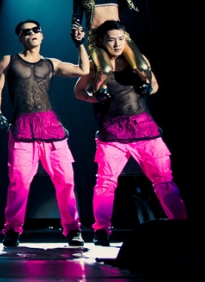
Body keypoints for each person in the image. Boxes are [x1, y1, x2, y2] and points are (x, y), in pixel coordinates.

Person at [74, 20, 187, 246]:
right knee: (106, 183)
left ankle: (182, 226)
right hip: (113, 132)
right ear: (102, 42)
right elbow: (79, 91)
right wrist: (95, 98)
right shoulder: (96, 66)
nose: (117, 44)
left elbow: (155, 86)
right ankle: (101, 230)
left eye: (120, 39)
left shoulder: (137, 59)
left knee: (164, 180)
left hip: (145, 130)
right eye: (111, 40)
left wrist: (148, 86)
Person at [0, 20, 89, 247]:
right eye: (26, 32)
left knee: (66, 181)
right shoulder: (9, 60)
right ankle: (12, 230)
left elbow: (83, 70)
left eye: (36, 30)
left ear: (42, 35)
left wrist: (79, 44)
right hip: (23, 128)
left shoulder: (51, 63)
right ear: (20, 38)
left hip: (52, 129)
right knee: (19, 183)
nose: (32, 34)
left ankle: (73, 229)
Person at [71, 0, 163, 98]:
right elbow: (77, 14)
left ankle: (146, 86)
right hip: (98, 37)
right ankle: (99, 91)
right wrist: (76, 29)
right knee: (105, 69)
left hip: (119, 34)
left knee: (141, 66)